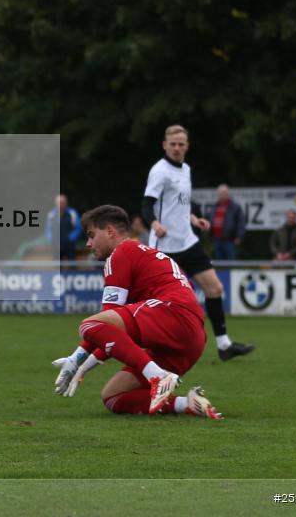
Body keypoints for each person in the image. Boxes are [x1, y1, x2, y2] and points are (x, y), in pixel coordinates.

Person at [51, 205, 222, 419]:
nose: (88, 244)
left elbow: (104, 326)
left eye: (91, 235)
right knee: (113, 396)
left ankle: (157, 376)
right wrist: (81, 365)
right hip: (190, 337)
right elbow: (112, 335)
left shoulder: (122, 252)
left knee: (89, 325)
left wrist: (77, 359)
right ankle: (187, 403)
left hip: (172, 313)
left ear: (110, 231)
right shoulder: (139, 252)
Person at [142, 125, 255, 361]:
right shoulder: (159, 171)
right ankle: (145, 348)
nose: (176, 148)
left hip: (188, 241)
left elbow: (180, 203)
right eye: (172, 143)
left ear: (187, 146)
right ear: (164, 144)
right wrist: (155, 225)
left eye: (181, 144)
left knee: (215, 289)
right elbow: (146, 205)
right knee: (160, 303)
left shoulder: (186, 169)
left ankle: (224, 346)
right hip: (164, 247)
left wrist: (194, 218)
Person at [205, 184, 245, 261]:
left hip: (230, 240)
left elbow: (241, 223)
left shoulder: (235, 207)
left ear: (228, 194)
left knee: (231, 262)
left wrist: (239, 237)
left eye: (224, 194)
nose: (222, 196)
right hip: (216, 240)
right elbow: (209, 220)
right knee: (219, 263)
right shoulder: (214, 207)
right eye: (220, 194)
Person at [45, 194, 83, 260]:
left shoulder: (72, 213)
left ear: (66, 203)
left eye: (62, 203)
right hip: (56, 246)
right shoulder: (51, 215)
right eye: (59, 203)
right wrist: (52, 240)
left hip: (70, 246)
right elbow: (48, 229)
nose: (61, 205)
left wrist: (70, 239)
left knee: (72, 265)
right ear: (55, 203)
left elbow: (78, 228)